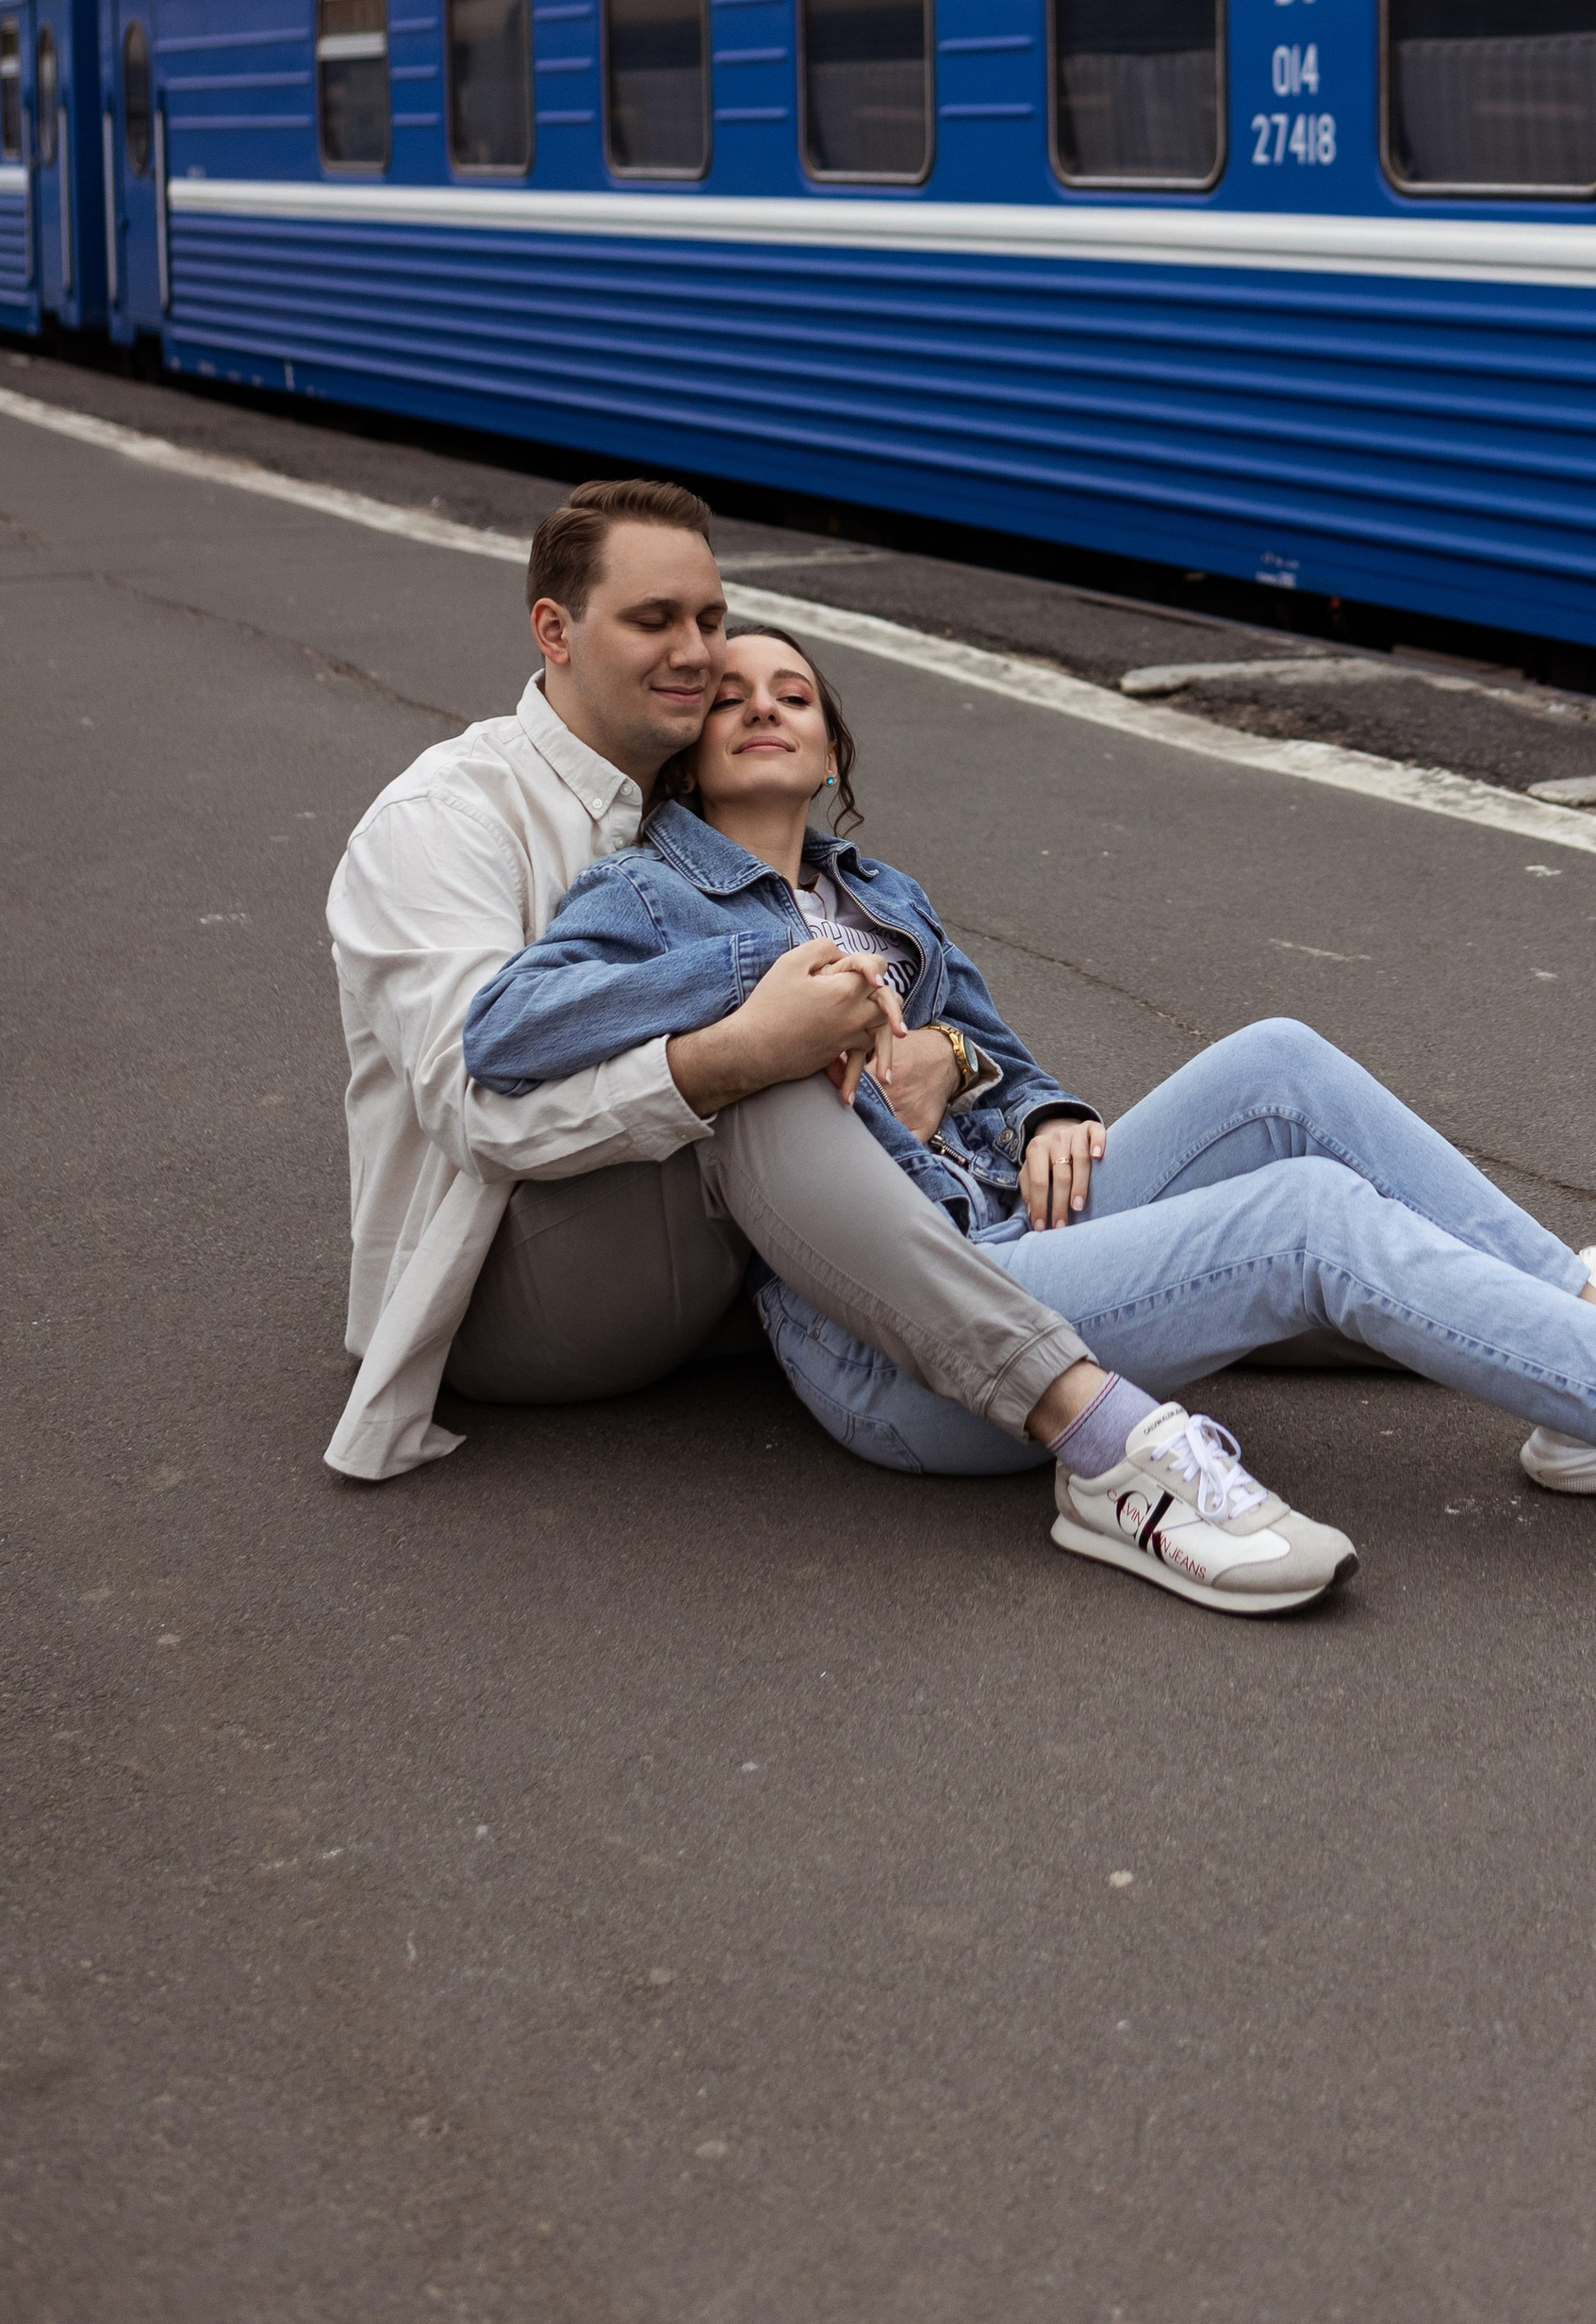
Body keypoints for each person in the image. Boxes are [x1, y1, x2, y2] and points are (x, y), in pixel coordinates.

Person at [465, 617, 1596, 1580]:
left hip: (1007, 1218)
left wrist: (1024, 1096)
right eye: (729, 693)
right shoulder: (653, 891)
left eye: (795, 691)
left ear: (831, 743)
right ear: (683, 753)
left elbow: (1006, 1060)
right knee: (1307, 1221)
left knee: (1275, 1058)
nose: (764, 705)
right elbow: (510, 1028)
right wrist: (768, 995)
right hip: (897, 1350)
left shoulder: (884, 895)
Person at [326, 474, 1386, 1613]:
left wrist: (961, 1061)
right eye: (652, 622)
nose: (696, 654)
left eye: (709, 618)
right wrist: (738, 1042)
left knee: (1204, 1175)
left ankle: (1464, 1301)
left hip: (733, 1270)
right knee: (777, 1077)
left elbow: (964, 1035)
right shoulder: (445, 821)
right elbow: (471, 1109)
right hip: (516, 1288)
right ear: (554, 630)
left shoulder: (709, 812)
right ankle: (1102, 1438)